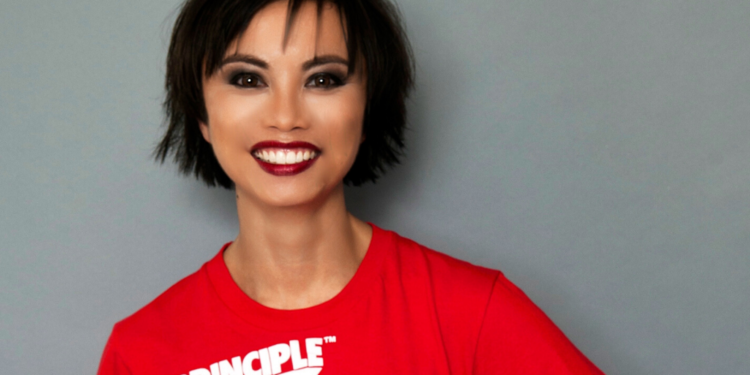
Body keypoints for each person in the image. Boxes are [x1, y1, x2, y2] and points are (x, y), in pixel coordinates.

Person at [97, 0, 605, 374]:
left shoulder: (472, 315)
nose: (286, 116)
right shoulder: (141, 352)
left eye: (323, 80)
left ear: (367, 111)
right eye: (248, 80)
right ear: (201, 115)